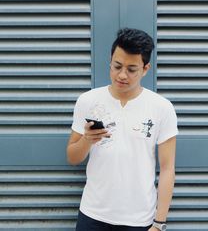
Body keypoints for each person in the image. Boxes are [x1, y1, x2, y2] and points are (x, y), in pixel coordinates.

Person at [67, 28, 178, 231]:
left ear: (145, 69)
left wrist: (159, 223)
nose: (122, 75)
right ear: (110, 61)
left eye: (131, 69)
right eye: (117, 66)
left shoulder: (162, 108)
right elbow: (73, 157)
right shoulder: (88, 100)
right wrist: (87, 140)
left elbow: (168, 168)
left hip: (139, 219)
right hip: (93, 214)